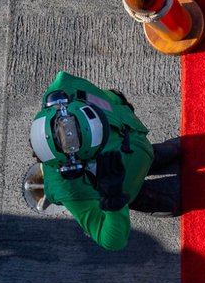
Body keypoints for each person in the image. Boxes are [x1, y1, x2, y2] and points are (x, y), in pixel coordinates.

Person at [29, 71, 181, 250]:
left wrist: (116, 100)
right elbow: (111, 241)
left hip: (136, 147)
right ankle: (137, 197)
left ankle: (150, 157)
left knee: (148, 156)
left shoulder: (64, 86)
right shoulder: (67, 189)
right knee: (136, 191)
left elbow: (99, 95)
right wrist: (114, 200)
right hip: (123, 185)